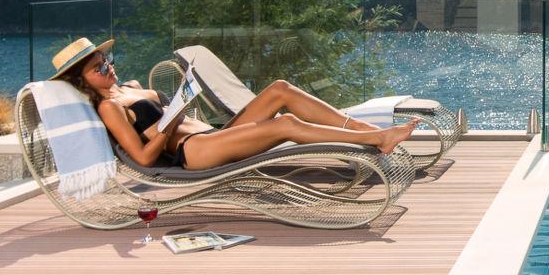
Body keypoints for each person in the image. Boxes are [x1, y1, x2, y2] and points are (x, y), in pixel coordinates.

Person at [47, 36, 416, 169]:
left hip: (212, 134)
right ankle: (376, 140)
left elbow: (165, 113)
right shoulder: (109, 108)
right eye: (98, 68)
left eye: (106, 61)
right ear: (83, 80)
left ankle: (369, 130)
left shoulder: (128, 89)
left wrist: (180, 104)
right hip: (192, 153)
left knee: (280, 89)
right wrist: (171, 122)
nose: (107, 68)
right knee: (285, 123)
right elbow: (143, 158)